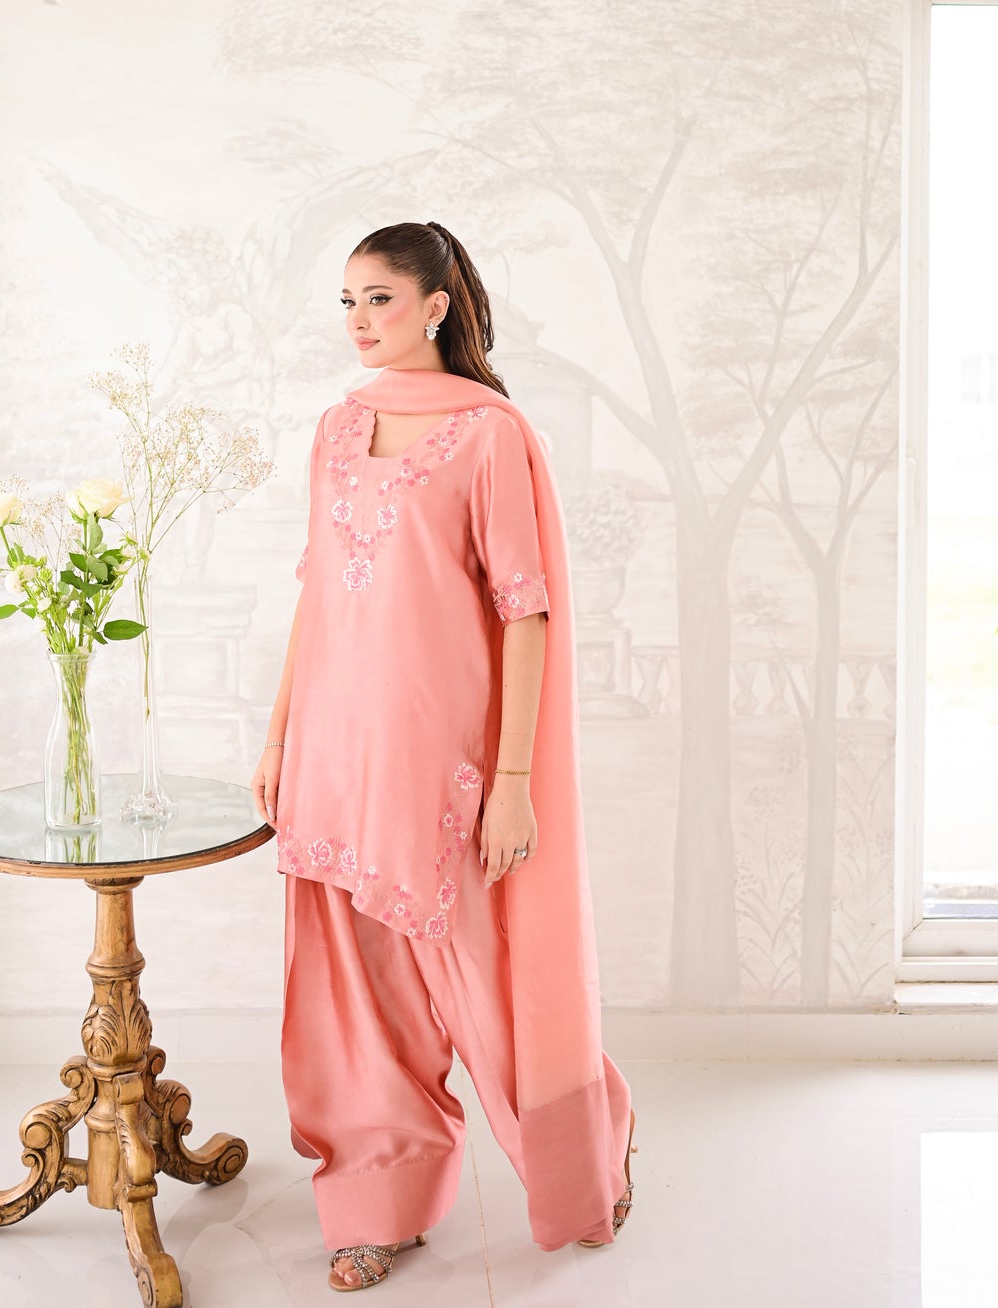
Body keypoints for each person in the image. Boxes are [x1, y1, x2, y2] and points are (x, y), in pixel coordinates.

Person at [250, 220, 635, 1292]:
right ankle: (377, 1198)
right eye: (347, 301)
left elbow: (525, 610)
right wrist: (279, 735)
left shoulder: (488, 434)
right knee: (356, 993)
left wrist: (511, 783)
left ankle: (586, 1149)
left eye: (379, 298)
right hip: (334, 748)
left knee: (488, 981)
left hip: (442, 758)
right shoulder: (336, 427)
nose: (359, 320)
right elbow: (318, 594)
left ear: (436, 305)